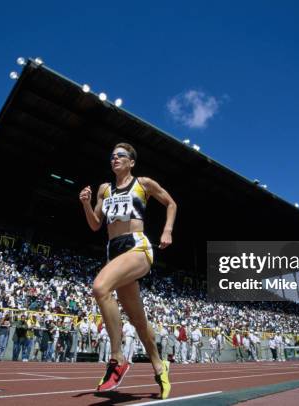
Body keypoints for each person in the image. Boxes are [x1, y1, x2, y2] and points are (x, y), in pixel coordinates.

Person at [79, 143, 176, 399]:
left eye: (120, 156)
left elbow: (171, 204)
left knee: (100, 287)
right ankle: (159, 366)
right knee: (138, 320)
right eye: (112, 156)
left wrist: (167, 230)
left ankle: (117, 358)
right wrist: (87, 204)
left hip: (137, 247)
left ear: (131, 162)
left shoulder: (143, 183)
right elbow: (95, 225)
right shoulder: (104, 189)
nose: (115, 159)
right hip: (114, 251)